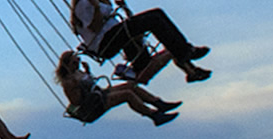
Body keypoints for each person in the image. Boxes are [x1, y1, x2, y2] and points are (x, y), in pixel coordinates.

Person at [70, 0, 211, 83]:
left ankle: (188, 61)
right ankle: (186, 52)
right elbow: (94, 27)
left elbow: (127, 21)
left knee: (157, 14)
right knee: (154, 19)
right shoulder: (83, 4)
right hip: (105, 42)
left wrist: (124, 6)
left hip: (118, 34)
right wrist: (95, 8)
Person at [56, 50, 181, 126]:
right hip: (93, 104)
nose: (77, 63)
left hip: (99, 93)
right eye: (74, 62)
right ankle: (154, 115)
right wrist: (76, 86)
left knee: (131, 86)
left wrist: (88, 72)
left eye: (77, 60)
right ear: (67, 65)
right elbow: (76, 101)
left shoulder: (79, 72)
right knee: (127, 94)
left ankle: (158, 103)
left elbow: (89, 82)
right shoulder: (68, 81)